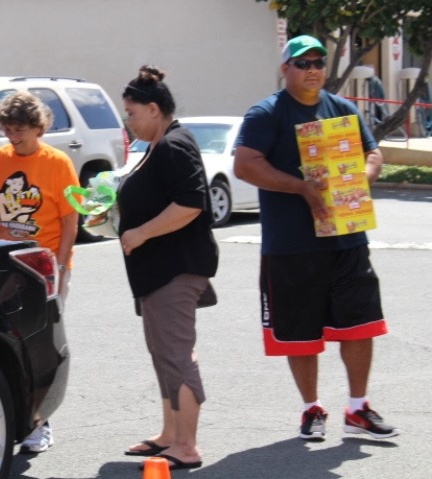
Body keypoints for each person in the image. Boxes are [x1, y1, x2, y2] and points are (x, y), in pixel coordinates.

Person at [233, 35, 400, 441]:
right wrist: (301, 188)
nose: (312, 69)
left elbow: (373, 152)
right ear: (285, 68)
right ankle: (311, 408)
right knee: (300, 333)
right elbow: (245, 165)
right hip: (292, 245)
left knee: (360, 325)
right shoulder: (267, 113)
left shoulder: (343, 109)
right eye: (303, 63)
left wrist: (363, 177)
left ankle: (358, 408)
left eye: (318, 62)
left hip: (347, 240)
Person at [118, 66, 218, 470]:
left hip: (174, 270)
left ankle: (187, 446)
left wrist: (141, 233)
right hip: (157, 272)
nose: (128, 121)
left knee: (176, 354)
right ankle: (170, 436)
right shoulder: (159, 146)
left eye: (131, 113)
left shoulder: (174, 145)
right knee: (163, 352)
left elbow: (191, 203)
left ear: (154, 109)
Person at [0, 91, 79, 453]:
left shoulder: (58, 163)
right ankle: (8, 415)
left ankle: (39, 421)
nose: (12, 136)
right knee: (7, 340)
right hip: (5, 264)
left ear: (38, 127)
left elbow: (71, 221)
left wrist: (60, 268)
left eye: (19, 129)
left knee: (40, 344)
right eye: (7, 128)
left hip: (44, 266)